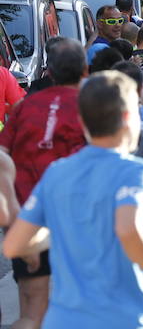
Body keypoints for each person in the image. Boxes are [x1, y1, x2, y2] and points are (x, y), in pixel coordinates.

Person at [3, 71, 143, 327]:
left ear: (83, 121)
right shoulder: (138, 172)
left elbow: (13, 246)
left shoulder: (57, 172)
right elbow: (129, 228)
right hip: (121, 320)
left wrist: (66, 232)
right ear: (127, 117)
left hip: (61, 321)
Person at [0, 39, 87, 326]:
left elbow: (2, 154)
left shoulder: (25, 108)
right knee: (76, 308)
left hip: (26, 217)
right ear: (84, 70)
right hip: (74, 221)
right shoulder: (92, 109)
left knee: (31, 309)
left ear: (49, 71)